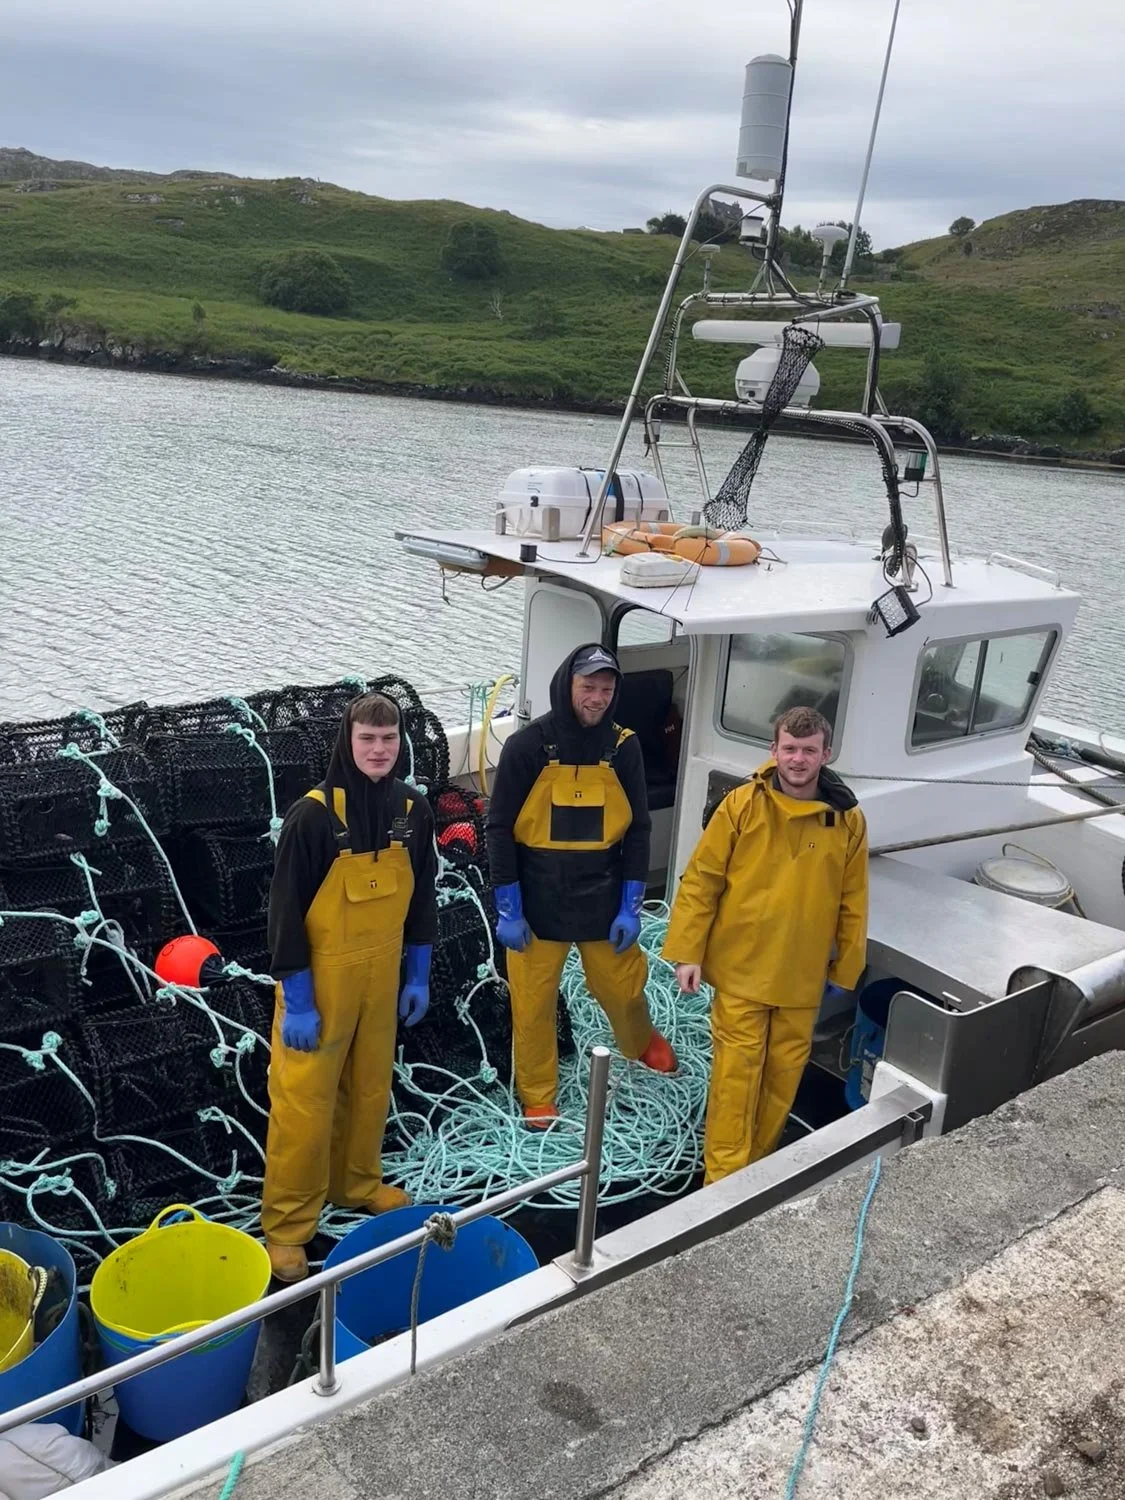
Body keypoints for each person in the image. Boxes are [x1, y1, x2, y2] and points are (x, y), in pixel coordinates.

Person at [261, 692, 438, 1282]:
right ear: (348, 741)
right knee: (304, 1106)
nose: (379, 750)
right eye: (368, 739)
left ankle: (357, 1184)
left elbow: (423, 900)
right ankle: (287, 1228)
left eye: (389, 739)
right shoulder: (311, 817)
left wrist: (418, 973)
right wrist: (301, 1003)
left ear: (400, 743)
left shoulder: (413, 809)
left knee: (369, 1088)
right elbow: (284, 917)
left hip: (383, 975)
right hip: (321, 981)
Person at [662, 706, 868, 1184]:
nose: (798, 759)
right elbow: (702, 880)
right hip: (741, 971)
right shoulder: (740, 805)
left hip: (801, 975)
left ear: (826, 754)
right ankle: (721, 1181)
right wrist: (687, 951)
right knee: (736, 1077)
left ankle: (756, 1169)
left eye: (809, 750)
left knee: (783, 1075)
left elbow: (853, 900)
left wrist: (845, 970)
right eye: (790, 749)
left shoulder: (848, 821)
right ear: (773, 751)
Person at [486, 643, 677, 1125]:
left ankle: (640, 1041)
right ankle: (537, 1092)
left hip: (603, 895)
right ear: (567, 685)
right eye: (587, 686)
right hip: (536, 899)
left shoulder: (624, 746)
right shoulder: (527, 746)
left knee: (623, 987)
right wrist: (509, 908)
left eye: (606, 689)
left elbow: (637, 829)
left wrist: (632, 904)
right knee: (532, 1005)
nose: (596, 697)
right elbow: (499, 828)